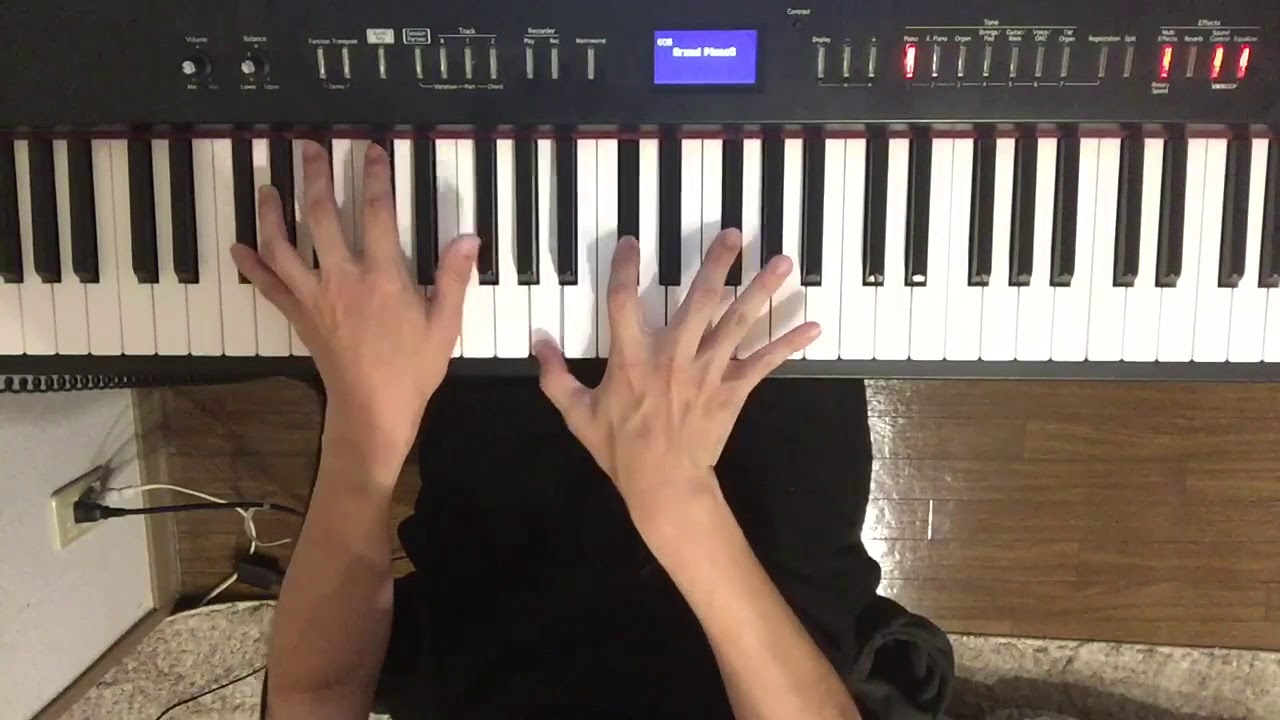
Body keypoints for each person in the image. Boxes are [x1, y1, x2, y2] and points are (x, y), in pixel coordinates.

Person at [234, 140, 953, 720]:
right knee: (782, 191)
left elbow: (315, 700)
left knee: (483, 169)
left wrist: (364, 422)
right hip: (746, 540)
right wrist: (676, 495)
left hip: (503, 545)